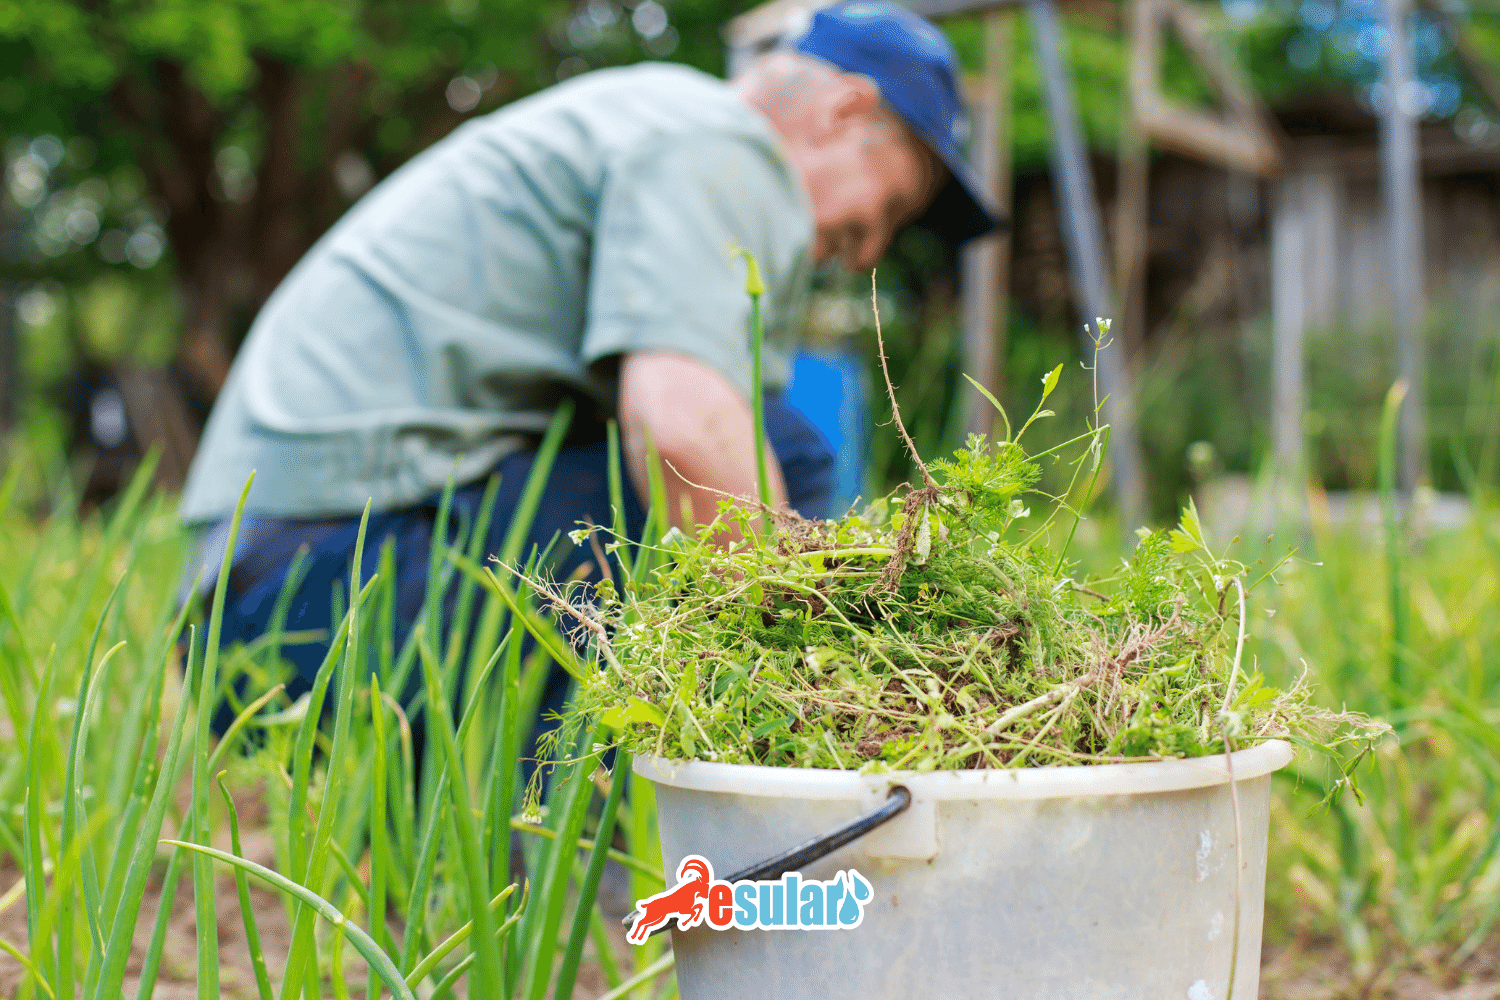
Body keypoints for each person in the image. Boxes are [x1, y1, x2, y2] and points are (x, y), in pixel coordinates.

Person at [177, 1, 998, 710]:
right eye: (893, 204)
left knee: (746, 454)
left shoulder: (647, 120)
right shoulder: (722, 141)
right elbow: (684, 428)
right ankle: (606, 824)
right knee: (775, 451)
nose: (869, 251)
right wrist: (809, 688)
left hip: (256, 602)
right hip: (321, 586)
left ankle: (520, 819)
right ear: (843, 112)